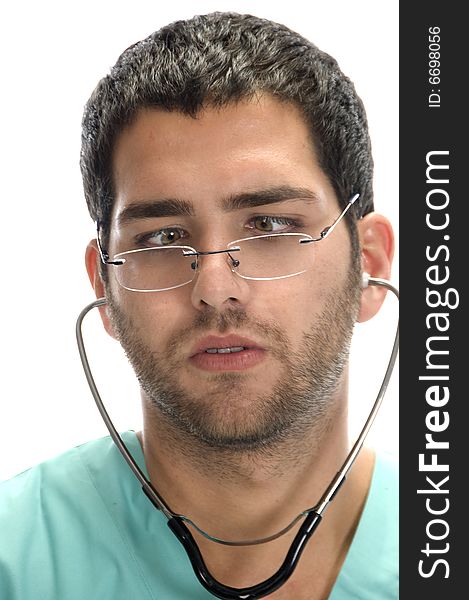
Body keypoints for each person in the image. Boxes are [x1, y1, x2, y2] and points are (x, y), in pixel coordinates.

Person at [0, 11, 397, 600]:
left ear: (368, 263)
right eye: (161, 237)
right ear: (105, 288)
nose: (215, 287)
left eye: (270, 224)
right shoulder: (16, 558)